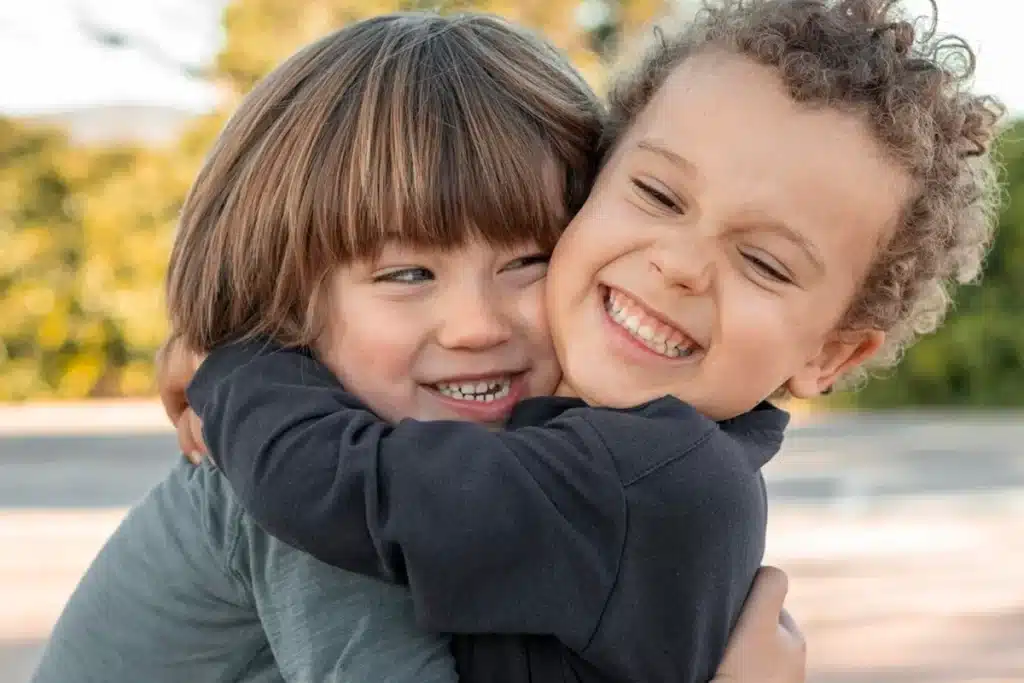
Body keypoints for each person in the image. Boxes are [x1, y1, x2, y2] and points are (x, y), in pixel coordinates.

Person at [165, 0, 1003, 682]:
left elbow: (346, 488)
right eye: (658, 194)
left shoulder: (641, 481)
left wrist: (231, 363)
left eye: (762, 261)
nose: (678, 265)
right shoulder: (652, 461)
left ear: (832, 354)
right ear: (592, 181)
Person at [31, 12, 804, 683]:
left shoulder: (520, 471)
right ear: (288, 303)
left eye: (527, 261)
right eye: (406, 273)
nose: (475, 324)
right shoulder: (293, 494)